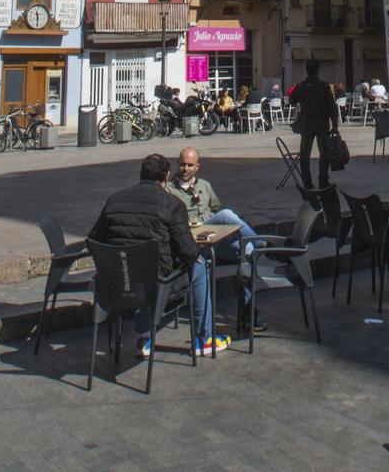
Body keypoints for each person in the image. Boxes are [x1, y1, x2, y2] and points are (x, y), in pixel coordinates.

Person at [88, 152, 221, 357]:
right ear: (167, 176)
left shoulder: (114, 200)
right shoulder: (173, 204)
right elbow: (187, 250)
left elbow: (95, 239)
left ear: (141, 174)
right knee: (201, 264)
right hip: (156, 282)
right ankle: (204, 338)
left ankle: (144, 337)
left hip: (116, 282)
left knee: (144, 273)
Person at [166, 146, 262, 331]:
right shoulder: (169, 190)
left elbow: (216, 210)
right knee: (228, 214)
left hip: (214, 237)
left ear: (197, 167)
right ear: (177, 165)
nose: (185, 169)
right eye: (182, 164)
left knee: (247, 253)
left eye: (190, 165)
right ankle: (260, 243)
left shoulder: (205, 186)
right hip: (192, 240)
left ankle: (248, 311)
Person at [290, 59, 341, 187]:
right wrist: (335, 125)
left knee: (305, 153)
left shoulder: (301, 86)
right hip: (322, 123)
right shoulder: (324, 86)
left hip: (307, 123)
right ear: (318, 70)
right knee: (324, 153)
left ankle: (307, 182)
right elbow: (332, 106)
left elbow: (292, 101)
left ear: (306, 70)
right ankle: (323, 180)